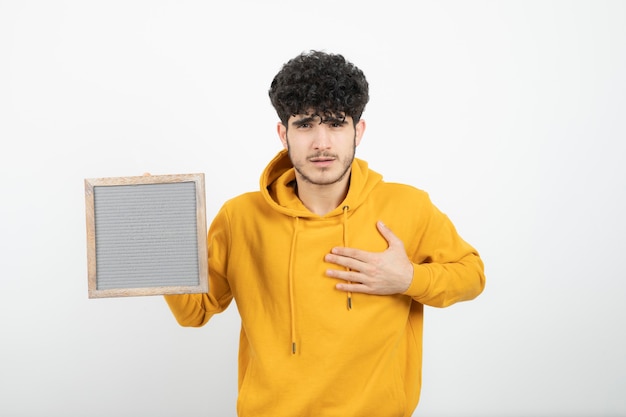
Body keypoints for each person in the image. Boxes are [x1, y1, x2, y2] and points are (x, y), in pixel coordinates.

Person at [164, 50, 485, 417]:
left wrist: (409, 277)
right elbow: (194, 312)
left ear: (357, 131)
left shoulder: (407, 206)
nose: (321, 143)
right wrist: (162, 236)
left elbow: (472, 275)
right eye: (304, 125)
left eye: (335, 124)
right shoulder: (241, 218)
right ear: (283, 133)